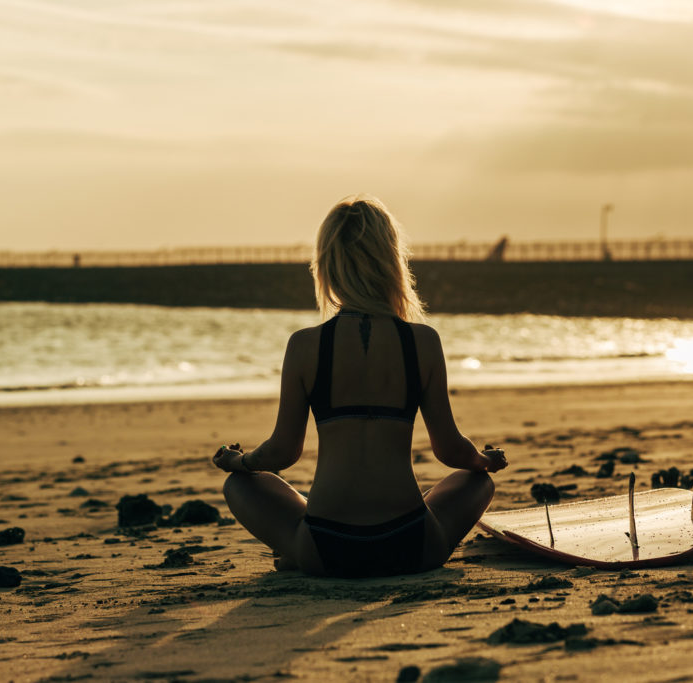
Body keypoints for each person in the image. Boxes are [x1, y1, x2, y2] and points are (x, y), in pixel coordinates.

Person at [212, 195, 508, 578]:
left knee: (241, 487)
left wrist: (240, 462)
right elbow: (450, 449)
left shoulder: (305, 345)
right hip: (412, 544)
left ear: (328, 266)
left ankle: (295, 553)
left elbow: (283, 451)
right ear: (392, 262)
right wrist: (483, 461)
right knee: (475, 483)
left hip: (326, 548)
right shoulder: (422, 341)